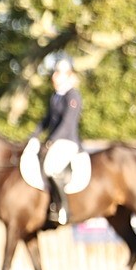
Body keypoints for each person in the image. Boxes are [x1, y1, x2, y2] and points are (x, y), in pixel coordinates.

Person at [27, 57, 83, 228]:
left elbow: (67, 123)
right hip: (55, 140)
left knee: (51, 167)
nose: (55, 76)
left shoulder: (72, 96)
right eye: (55, 72)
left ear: (68, 75)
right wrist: (33, 136)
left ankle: (63, 207)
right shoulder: (55, 96)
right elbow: (46, 120)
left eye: (59, 73)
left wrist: (51, 140)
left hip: (67, 141)